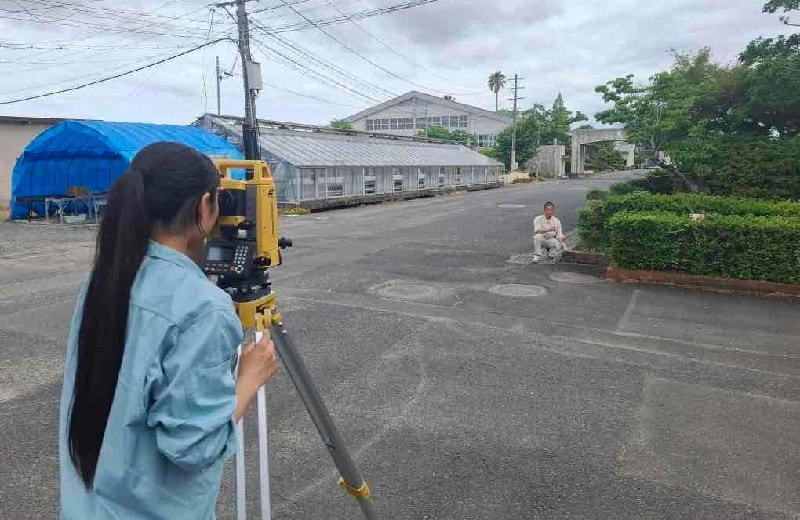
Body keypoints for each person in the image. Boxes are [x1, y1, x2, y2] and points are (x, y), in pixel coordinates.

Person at [59, 142, 278, 519]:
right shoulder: (203, 308)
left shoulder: (105, 277)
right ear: (205, 206)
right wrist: (249, 378)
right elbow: (195, 448)